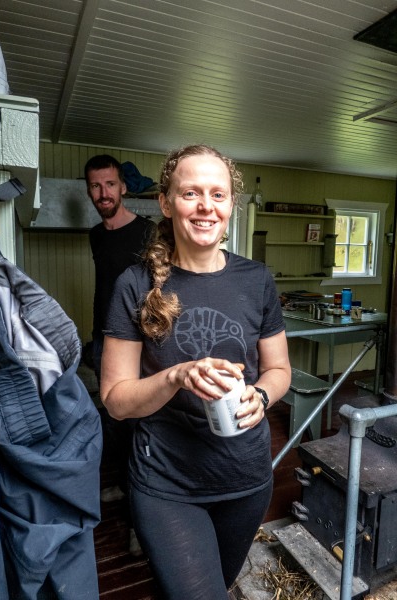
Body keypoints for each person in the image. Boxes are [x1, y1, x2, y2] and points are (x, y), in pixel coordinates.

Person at [100, 144, 291, 599]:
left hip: (246, 479)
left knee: (214, 586)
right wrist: (175, 376)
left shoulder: (256, 279)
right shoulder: (135, 285)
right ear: (166, 203)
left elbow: (280, 368)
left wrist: (261, 396)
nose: (206, 206)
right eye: (191, 193)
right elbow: (115, 398)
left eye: (218, 194)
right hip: (168, 484)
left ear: (230, 205)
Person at [85, 154, 156, 556]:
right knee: (113, 422)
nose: (103, 193)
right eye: (95, 186)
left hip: (138, 346)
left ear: (123, 187)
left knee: (138, 432)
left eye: (110, 184)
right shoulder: (96, 235)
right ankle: (126, 487)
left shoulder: (147, 234)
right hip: (102, 340)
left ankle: (137, 521)